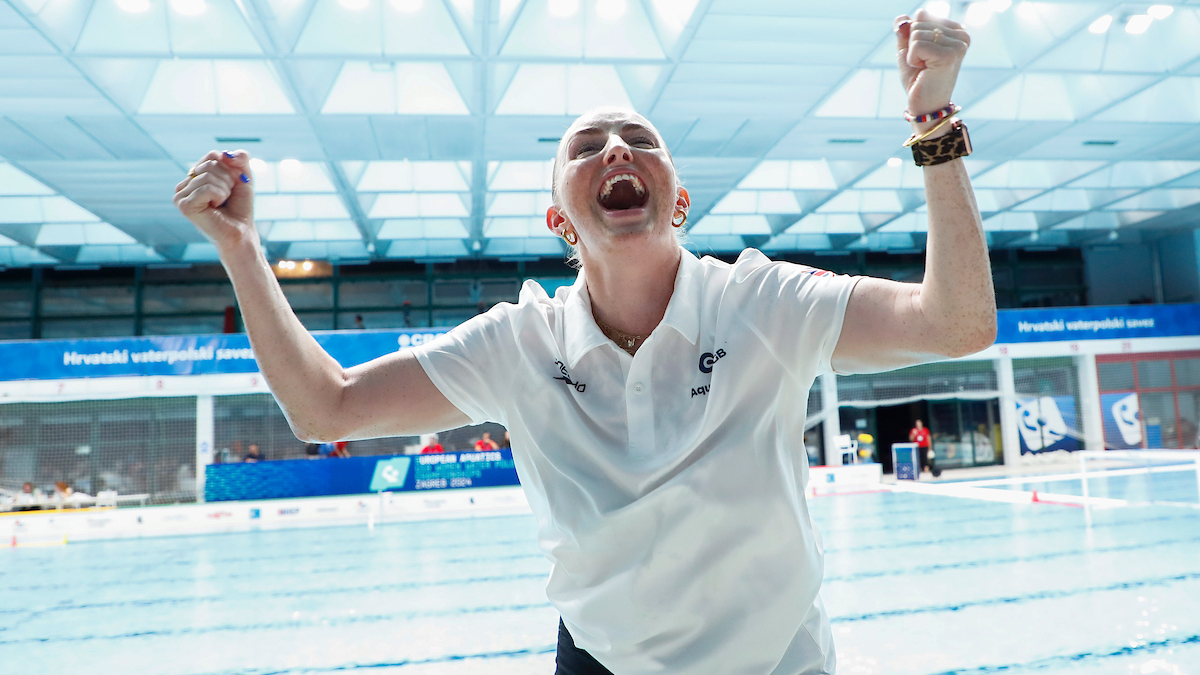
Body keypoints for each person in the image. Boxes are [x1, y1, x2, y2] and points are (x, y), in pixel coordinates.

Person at [174, 12, 993, 673]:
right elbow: (328, 406)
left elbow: (955, 324)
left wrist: (933, 118)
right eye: (586, 147)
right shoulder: (517, 343)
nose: (615, 149)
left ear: (677, 202)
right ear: (560, 221)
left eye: (638, 137)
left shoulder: (762, 300)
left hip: (781, 661)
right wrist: (240, 250)